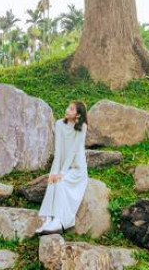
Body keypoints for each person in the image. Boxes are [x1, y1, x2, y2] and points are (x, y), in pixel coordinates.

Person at [35, 100, 88, 235]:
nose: (67, 110)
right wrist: (55, 171)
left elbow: (73, 151)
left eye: (71, 109)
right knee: (52, 180)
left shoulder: (82, 127)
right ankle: (48, 219)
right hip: (63, 165)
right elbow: (58, 151)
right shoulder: (59, 124)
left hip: (77, 169)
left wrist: (62, 173)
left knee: (60, 181)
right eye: (68, 107)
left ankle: (58, 221)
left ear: (78, 116)